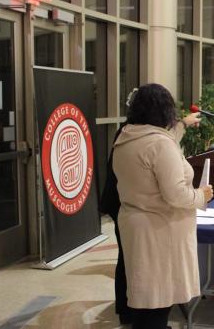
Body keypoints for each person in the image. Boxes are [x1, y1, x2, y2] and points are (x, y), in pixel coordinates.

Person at [112, 83, 214, 329]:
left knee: (145, 296)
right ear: (165, 110)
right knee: (159, 297)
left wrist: (183, 125)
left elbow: (164, 144)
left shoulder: (127, 137)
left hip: (135, 222)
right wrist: (201, 195)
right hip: (159, 230)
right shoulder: (160, 144)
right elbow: (176, 194)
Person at [99, 123, 132, 325]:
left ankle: (126, 307)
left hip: (122, 202)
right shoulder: (129, 133)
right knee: (126, 258)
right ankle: (126, 309)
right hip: (121, 203)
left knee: (126, 257)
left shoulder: (129, 130)